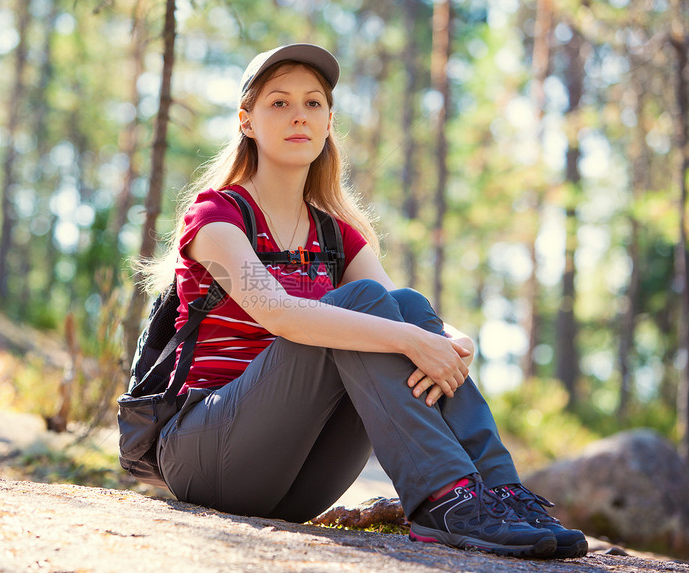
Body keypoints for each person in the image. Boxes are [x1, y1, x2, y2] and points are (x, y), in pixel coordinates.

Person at [142, 43, 587, 560]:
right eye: (279, 103)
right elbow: (280, 313)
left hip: (299, 483)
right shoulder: (215, 216)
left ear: (329, 121)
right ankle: (446, 496)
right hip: (207, 454)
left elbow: (404, 314)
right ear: (247, 122)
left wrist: (452, 339)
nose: (298, 116)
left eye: (313, 104)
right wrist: (414, 339)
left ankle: (499, 490)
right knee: (368, 304)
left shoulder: (337, 236)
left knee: (409, 304)